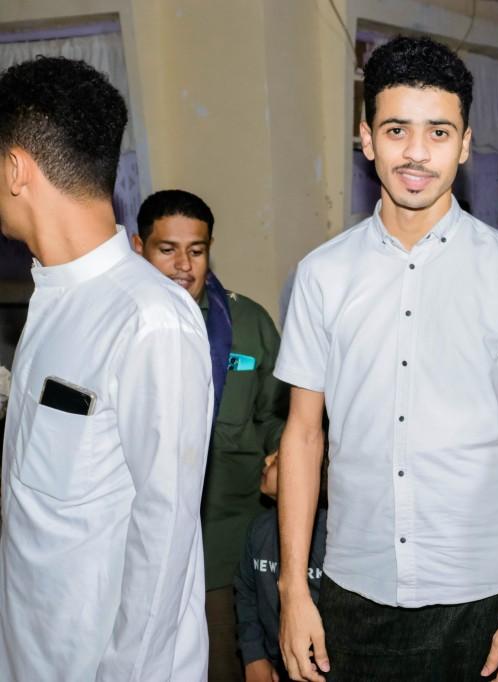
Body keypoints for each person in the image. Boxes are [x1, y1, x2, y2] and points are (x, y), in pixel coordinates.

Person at [273, 36, 498, 682]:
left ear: (464, 144)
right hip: (355, 590)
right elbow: (302, 435)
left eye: (438, 132)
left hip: (489, 593)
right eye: (396, 130)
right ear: (366, 139)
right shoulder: (322, 275)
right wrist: (293, 590)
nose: (416, 152)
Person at [0, 57, 212, 680]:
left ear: (15, 168)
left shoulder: (149, 319)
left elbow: (165, 536)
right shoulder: (52, 298)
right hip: (32, 653)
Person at [133, 189, 288, 681]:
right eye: (167, 250)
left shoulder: (247, 323)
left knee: (224, 665)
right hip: (139, 547)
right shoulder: (121, 325)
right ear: (138, 246)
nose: (184, 265)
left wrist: (285, 456)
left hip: (225, 546)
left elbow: (275, 417)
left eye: (196, 251)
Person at [236, 453, 327, 682]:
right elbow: (246, 593)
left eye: (278, 459)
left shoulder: (330, 533)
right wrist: (254, 655)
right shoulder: (259, 529)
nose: (266, 460)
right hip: (276, 665)